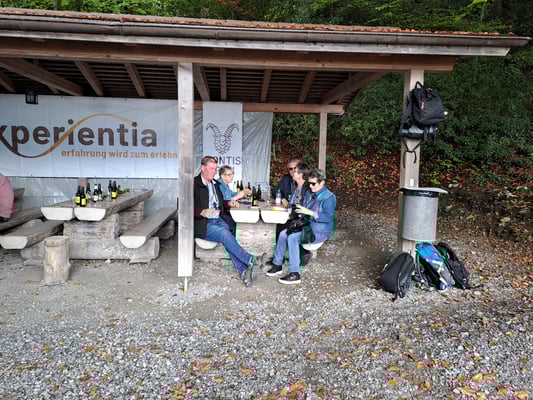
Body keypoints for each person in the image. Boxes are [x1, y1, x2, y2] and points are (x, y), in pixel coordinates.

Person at [194, 156, 265, 286]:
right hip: (202, 223)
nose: (214, 172)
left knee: (228, 237)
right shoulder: (193, 184)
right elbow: (183, 207)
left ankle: (243, 272)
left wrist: (229, 203)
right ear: (203, 168)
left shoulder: (215, 184)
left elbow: (221, 203)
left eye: (215, 169)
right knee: (224, 234)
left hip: (217, 218)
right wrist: (201, 212)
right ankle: (251, 260)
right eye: (211, 169)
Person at [265, 168, 336, 285]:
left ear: (322, 183)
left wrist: (310, 213)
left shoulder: (329, 197)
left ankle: (295, 274)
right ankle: (277, 264)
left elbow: (327, 217)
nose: (310, 186)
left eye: (313, 184)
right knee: (283, 234)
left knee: (292, 238)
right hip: (307, 225)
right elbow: (303, 208)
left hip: (320, 230)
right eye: (309, 183)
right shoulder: (309, 193)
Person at [216, 165, 251, 236]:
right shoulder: (219, 185)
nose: (232, 176)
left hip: (224, 212)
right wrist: (238, 196)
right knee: (234, 224)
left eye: (232, 174)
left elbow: (231, 193)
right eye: (229, 175)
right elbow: (224, 201)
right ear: (222, 176)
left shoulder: (225, 184)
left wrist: (242, 192)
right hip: (220, 214)